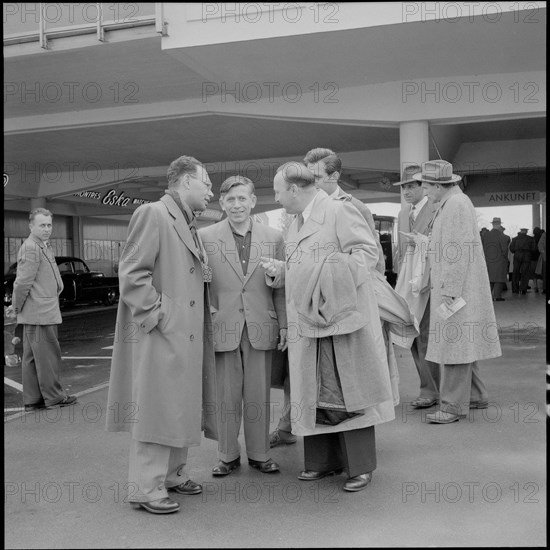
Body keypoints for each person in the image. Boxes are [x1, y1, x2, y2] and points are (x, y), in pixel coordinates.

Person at [261, 162, 395, 492]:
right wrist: (283, 271)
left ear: (294, 189)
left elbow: (367, 254)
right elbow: (302, 266)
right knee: (315, 394)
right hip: (308, 323)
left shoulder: (339, 211)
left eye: (278, 191)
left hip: (340, 318)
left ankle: (360, 466)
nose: (276, 198)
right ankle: (323, 463)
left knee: (350, 393)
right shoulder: (295, 223)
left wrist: (324, 278)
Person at [106, 155, 217, 515]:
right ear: (186, 182)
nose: (211, 191)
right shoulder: (153, 213)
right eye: (207, 184)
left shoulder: (186, 221)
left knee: (179, 404)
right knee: (156, 408)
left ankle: (172, 474)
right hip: (162, 332)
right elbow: (132, 275)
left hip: (182, 333)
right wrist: (160, 315)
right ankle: (145, 488)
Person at [198, 176, 287, 476]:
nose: (236, 205)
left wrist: (285, 325)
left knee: (258, 394)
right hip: (222, 325)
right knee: (226, 395)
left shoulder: (274, 237)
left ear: (252, 201)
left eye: (242, 199)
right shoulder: (205, 237)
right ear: (221, 203)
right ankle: (227, 454)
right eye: (230, 200)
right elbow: (198, 283)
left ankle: (261, 454)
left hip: (261, 325)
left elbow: (281, 288)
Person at [412, 160, 501, 424]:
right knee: (463, 342)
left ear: (439, 186)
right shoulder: (454, 203)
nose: (425, 192)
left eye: (427, 186)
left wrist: (449, 290)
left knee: (454, 346)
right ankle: (475, 395)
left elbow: (455, 251)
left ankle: (451, 406)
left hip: (455, 288)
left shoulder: (455, 206)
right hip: (460, 286)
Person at [6, 208, 77, 412]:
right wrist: (15, 306)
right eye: (42, 225)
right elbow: (22, 283)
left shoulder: (41, 246)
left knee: (31, 358)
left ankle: (34, 399)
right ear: (31, 226)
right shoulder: (31, 248)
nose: (47, 229)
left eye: (49, 225)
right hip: (40, 312)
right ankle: (54, 398)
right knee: (47, 356)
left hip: (40, 310)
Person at [393, 164, 440, 409]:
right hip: (408, 285)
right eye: (404, 187)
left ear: (424, 186)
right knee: (411, 337)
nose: (407, 191)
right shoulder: (404, 214)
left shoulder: (436, 209)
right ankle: (429, 387)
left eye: (412, 186)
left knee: (425, 338)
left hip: (428, 285)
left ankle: (431, 390)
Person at [481, 217, 511, 301]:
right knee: (498, 279)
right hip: (499, 260)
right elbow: (504, 250)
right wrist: (505, 258)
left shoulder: (485, 235)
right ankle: (497, 296)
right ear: (500, 224)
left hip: (488, 260)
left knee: (489, 279)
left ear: (492, 224)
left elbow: (482, 248)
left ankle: (487, 297)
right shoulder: (503, 236)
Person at [510, 228, 535, 294]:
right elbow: (534, 249)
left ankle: (515, 289)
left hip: (517, 255)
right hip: (527, 255)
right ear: (526, 232)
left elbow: (511, 249)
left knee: (515, 272)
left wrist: (516, 251)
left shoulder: (514, 239)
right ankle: (523, 289)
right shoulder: (530, 239)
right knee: (525, 272)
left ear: (520, 232)